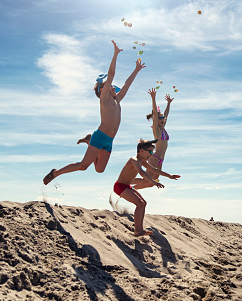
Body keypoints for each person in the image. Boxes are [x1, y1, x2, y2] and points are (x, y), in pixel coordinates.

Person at [43, 40, 145, 185]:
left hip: (109, 140)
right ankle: (55, 173)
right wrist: (115, 54)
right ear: (103, 89)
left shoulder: (117, 99)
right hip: (101, 135)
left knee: (99, 169)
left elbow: (127, 84)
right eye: (109, 85)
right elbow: (111, 74)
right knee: (83, 166)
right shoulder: (104, 99)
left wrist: (136, 70)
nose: (113, 87)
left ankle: (88, 141)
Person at [113, 139, 180, 237]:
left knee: (143, 203)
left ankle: (140, 229)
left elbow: (154, 170)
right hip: (120, 187)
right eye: (151, 152)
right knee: (139, 203)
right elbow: (142, 172)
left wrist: (169, 175)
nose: (152, 154)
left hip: (127, 186)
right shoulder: (134, 160)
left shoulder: (142, 161)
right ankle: (137, 230)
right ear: (141, 151)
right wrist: (152, 182)